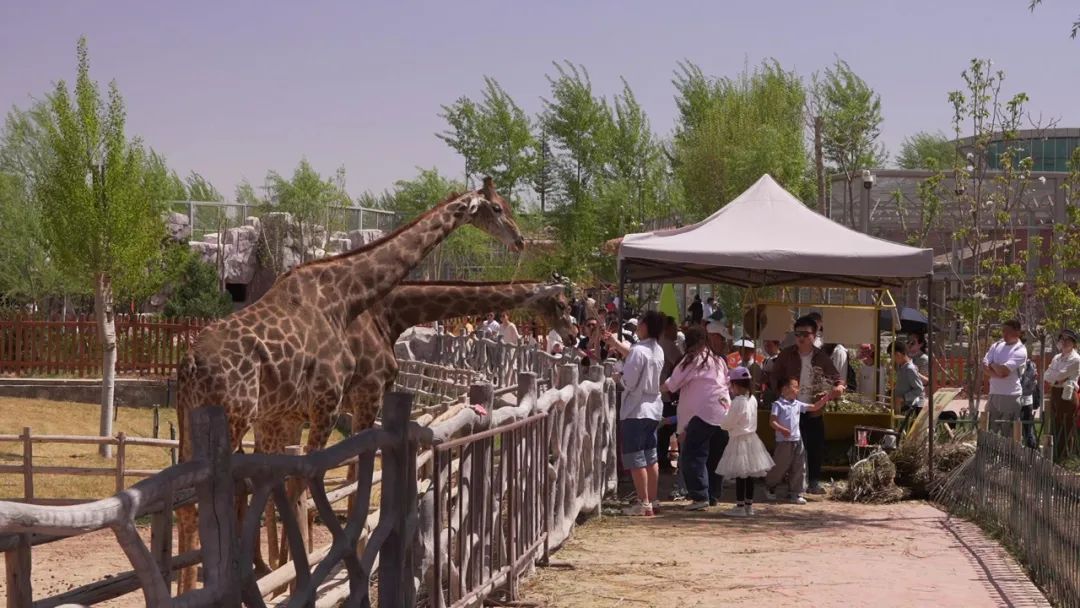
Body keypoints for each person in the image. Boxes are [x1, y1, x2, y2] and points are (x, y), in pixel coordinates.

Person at [767, 315, 844, 495]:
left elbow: (837, 377)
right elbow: (774, 376)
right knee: (788, 450)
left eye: (805, 334)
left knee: (815, 446)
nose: (801, 338)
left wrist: (839, 387)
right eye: (797, 334)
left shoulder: (821, 357)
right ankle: (785, 483)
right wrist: (782, 396)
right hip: (790, 411)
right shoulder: (786, 354)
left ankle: (813, 481)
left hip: (813, 409)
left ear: (815, 335)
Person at [663, 325, 730, 511]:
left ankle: (700, 495)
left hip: (702, 413)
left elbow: (673, 384)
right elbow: (727, 382)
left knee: (693, 455)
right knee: (715, 457)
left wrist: (653, 388)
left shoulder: (692, 359)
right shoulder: (718, 360)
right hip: (723, 411)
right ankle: (713, 495)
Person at [615, 310, 666, 517]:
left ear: (645, 325)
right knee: (650, 456)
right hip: (653, 408)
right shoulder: (657, 350)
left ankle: (643, 502)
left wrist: (618, 376)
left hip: (636, 409)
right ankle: (653, 500)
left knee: (636, 458)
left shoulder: (638, 351)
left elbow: (629, 381)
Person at [716, 367, 774, 517]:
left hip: (739, 440)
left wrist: (724, 412)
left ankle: (740, 506)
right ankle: (749, 506)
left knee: (741, 475)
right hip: (752, 439)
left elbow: (728, 423)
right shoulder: (752, 399)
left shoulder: (738, 401)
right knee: (749, 475)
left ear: (736, 385)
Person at [764, 376, 829, 504]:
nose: (797, 390)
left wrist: (825, 399)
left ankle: (796, 493)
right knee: (780, 466)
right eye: (794, 387)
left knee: (799, 466)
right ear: (785, 389)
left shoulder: (797, 404)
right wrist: (782, 429)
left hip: (797, 440)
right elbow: (772, 422)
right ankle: (770, 486)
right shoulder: (778, 405)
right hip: (784, 441)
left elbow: (814, 407)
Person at [982, 319, 1028, 436]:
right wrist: (996, 370)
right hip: (994, 394)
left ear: (1017, 332)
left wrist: (992, 365)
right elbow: (984, 367)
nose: (1004, 334)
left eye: (1008, 331)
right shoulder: (996, 345)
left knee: (1008, 434)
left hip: (1011, 395)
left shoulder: (1020, 350)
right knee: (989, 431)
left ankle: (1010, 455)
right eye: (1003, 331)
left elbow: (1004, 371)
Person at [1043, 329, 1080, 460]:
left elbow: (1059, 375)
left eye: (1068, 340)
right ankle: (1054, 456)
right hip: (1055, 392)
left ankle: (1064, 457)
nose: (1064, 342)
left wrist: (1057, 378)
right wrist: (1056, 379)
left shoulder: (1076, 359)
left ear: (1074, 343)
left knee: (1066, 426)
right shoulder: (1057, 357)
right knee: (1055, 423)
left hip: (1067, 394)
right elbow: (1047, 375)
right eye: (1062, 339)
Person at [656, 316, 685, 473]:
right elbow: (681, 365)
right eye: (674, 328)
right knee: (670, 426)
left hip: (663, 392)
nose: (677, 331)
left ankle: (661, 458)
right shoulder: (668, 345)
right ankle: (663, 459)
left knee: (665, 428)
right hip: (668, 393)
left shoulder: (658, 344)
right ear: (667, 329)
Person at [889, 340, 925, 432]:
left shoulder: (910, 369)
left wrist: (904, 398)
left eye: (891, 356)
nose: (891, 359)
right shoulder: (902, 367)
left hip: (907, 409)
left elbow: (919, 389)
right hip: (899, 407)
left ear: (898, 354)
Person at [1018, 339, 1041, 450]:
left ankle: (1031, 452)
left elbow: (1026, 383)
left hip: (1024, 400)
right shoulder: (1030, 364)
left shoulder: (1030, 366)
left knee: (1027, 429)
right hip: (1023, 400)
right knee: (1025, 428)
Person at [760, 339, 782, 406]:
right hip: (768, 390)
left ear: (777, 345)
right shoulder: (767, 359)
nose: (767, 348)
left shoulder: (780, 358)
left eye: (769, 345)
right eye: (766, 345)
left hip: (777, 391)